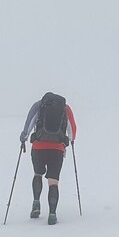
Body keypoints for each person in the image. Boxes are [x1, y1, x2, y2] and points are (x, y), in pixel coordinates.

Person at [19, 92, 77, 224]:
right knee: (53, 181)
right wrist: (71, 140)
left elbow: (28, 124)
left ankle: (36, 204)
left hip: (39, 147)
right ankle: (52, 214)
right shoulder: (65, 108)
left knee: (37, 174)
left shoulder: (38, 105)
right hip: (57, 149)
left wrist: (24, 137)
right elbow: (72, 130)